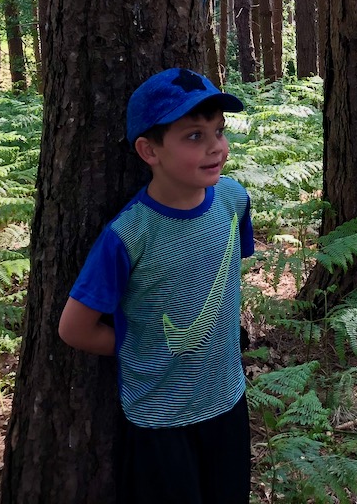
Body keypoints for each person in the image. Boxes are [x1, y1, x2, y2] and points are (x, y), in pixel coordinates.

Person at [59, 67, 254, 504]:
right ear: (149, 150)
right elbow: (73, 328)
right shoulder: (130, 236)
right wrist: (141, 344)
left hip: (227, 402)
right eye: (194, 136)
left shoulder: (233, 200)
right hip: (160, 421)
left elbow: (222, 281)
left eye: (219, 131)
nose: (216, 147)